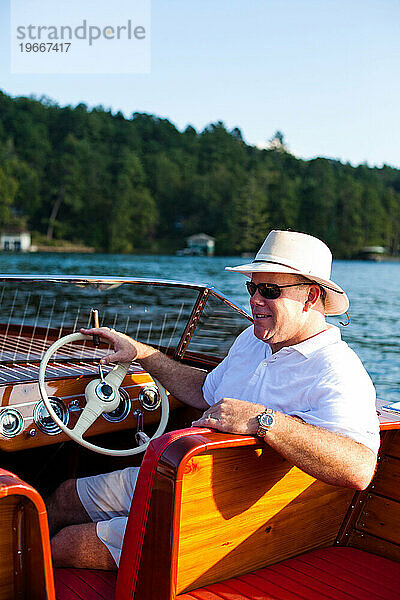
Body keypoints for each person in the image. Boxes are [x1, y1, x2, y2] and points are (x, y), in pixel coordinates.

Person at [46, 230, 380, 571]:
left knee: (64, 545)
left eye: (269, 291)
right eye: (252, 288)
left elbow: (359, 468)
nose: (254, 300)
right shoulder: (253, 339)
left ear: (310, 297)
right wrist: (144, 354)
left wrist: (263, 420)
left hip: (217, 524)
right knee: (63, 496)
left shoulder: (337, 370)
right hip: (172, 481)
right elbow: (205, 391)